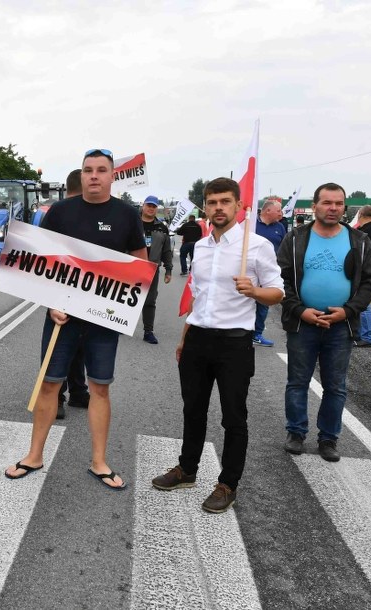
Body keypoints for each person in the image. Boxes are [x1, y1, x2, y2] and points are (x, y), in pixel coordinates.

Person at [5, 149, 147, 489]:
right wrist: (50, 303)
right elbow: (40, 260)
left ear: (113, 175)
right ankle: (34, 455)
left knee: (100, 387)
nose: (94, 175)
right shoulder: (60, 211)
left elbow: (140, 265)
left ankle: (99, 461)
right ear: (80, 175)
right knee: (50, 384)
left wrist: (122, 308)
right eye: (87, 170)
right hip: (61, 317)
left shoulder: (126, 214)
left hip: (102, 320)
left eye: (101, 170)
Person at [151, 177, 284, 513]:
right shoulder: (202, 247)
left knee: (233, 417)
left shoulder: (255, 247)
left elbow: (278, 291)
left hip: (234, 344)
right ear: (206, 207)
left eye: (225, 201)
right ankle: (187, 469)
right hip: (198, 339)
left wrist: (254, 290)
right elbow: (198, 298)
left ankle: (228, 484)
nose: (219, 208)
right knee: (192, 409)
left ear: (238, 206)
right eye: (212, 202)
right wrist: (184, 338)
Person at [279, 184, 371, 461]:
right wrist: (299, 310)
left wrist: (348, 311)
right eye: (327, 203)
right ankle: (296, 432)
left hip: (340, 325)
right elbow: (281, 279)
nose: (333, 208)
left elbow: (370, 281)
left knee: (335, 386)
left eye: (338, 203)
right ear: (315, 206)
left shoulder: (359, 239)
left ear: (344, 207)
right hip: (303, 324)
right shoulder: (297, 238)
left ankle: (328, 438)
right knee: (297, 381)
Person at [54, 168, 90, 419]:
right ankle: (61, 394)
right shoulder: (63, 214)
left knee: (72, 343)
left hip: (67, 289)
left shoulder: (61, 212)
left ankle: (74, 391)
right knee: (67, 344)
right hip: (81, 289)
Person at [252, 200, 288, 347]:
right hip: (250, 272)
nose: (281, 214)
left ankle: (256, 334)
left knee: (263, 305)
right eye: (279, 211)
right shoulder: (251, 224)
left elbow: (284, 249)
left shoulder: (280, 227)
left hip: (269, 273)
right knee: (244, 302)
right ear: (268, 211)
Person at [139, 195, 174, 344]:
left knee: (150, 300)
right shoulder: (133, 224)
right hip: (132, 266)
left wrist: (168, 269)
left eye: (154, 206)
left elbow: (166, 251)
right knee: (124, 297)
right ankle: (119, 324)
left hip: (151, 268)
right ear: (143, 206)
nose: (151, 208)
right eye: (149, 205)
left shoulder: (162, 228)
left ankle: (148, 331)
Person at [354, 205, 371, 347]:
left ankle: (367, 337)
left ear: (361, 214)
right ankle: (359, 334)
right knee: (359, 304)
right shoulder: (366, 229)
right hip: (359, 271)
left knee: (365, 305)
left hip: (364, 272)